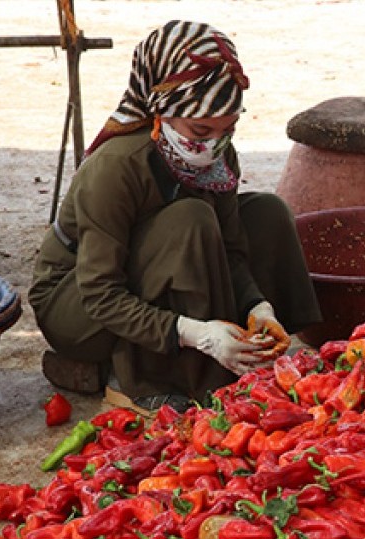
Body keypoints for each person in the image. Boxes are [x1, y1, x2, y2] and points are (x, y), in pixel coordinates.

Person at [29, 20, 321, 409]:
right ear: (160, 110)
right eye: (200, 130)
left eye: (227, 129)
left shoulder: (215, 154)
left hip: (152, 273)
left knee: (266, 212)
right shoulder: (117, 165)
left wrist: (257, 306)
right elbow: (100, 293)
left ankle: (253, 352)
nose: (213, 144)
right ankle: (143, 379)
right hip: (79, 307)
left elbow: (231, 250)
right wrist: (195, 334)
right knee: (190, 221)